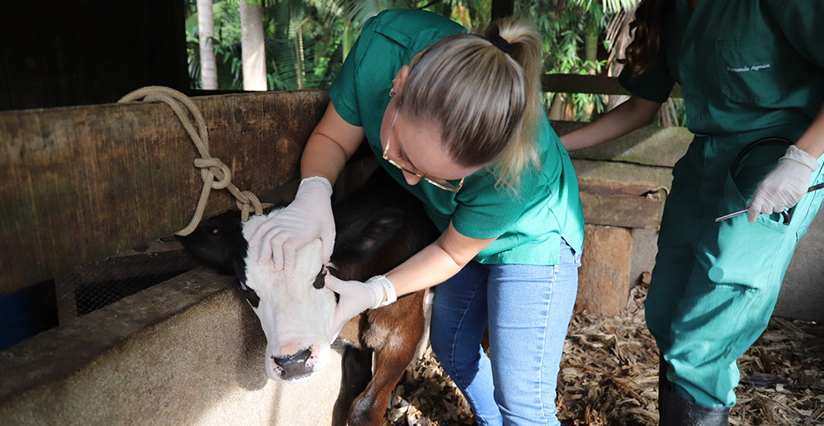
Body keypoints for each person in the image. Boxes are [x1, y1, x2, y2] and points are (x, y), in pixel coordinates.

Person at [248, 8, 585, 426]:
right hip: (456, 226)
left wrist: (376, 292)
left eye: (438, 178)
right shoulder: (382, 47)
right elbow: (333, 136)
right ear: (400, 82)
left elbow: (451, 252)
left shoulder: (518, 170)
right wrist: (313, 191)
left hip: (530, 241)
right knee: (453, 351)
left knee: (523, 402)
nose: (409, 179)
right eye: (403, 154)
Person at [560, 0, 824, 424]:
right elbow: (640, 106)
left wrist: (802, 159)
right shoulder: (672, 11)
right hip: (708, 157)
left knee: (703, 339)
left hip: (782, 160)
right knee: (665, 311)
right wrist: (557, 145)